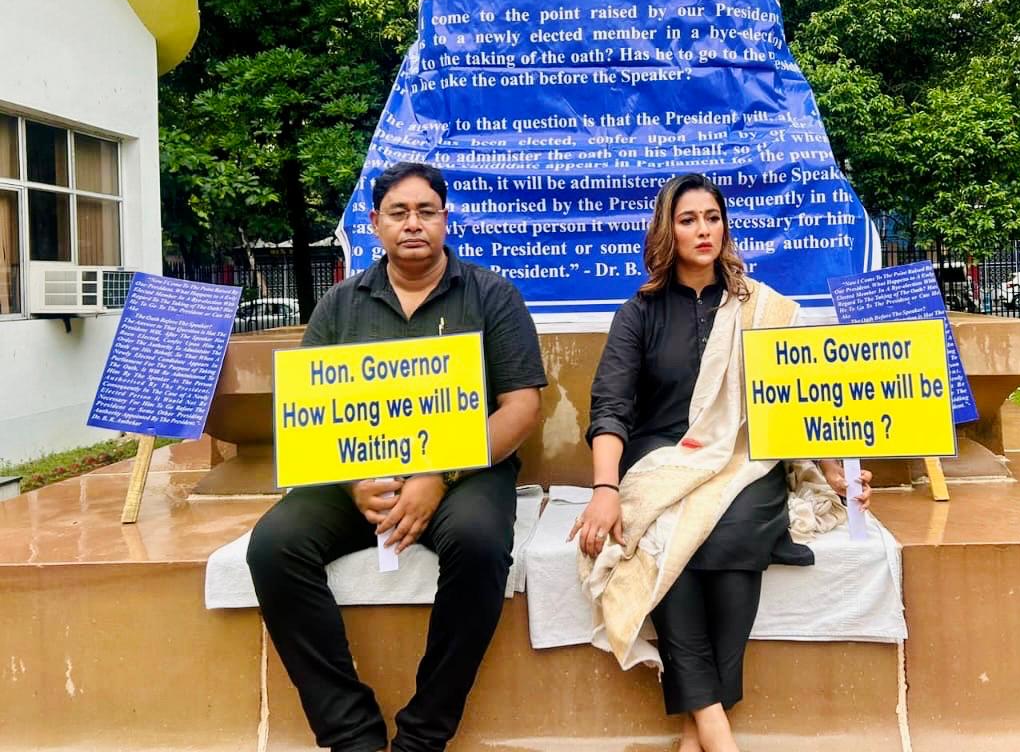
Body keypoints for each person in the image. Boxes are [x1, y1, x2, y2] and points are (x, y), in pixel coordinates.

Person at [247, 161, 546, 752]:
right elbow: (311, 409)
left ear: (445, 219)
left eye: (426, 212)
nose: (414, 224)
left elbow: (520, 407)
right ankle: (351, 733)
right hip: (355, 476)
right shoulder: (339, 305)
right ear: (375, 222)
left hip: (463, 475)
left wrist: (440, 471)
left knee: (482, 546)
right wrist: (355, 480)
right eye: (399, 213)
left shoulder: (492, 295)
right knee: (274, 547)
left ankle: (423, 733)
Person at [572, 173, 872, 752]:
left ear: (725, 225)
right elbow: (609, 408)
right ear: (668, 231)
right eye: (688, 220)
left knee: (733, 532)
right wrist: (605, 488)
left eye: (712, 217)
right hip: (662, 460)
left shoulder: (761, 308)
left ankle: (699, 727)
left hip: (742, 458)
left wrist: (835, 470)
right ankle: (715, 725)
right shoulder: (640, 312)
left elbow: (796, 399)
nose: (702, 230)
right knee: (664, 535)